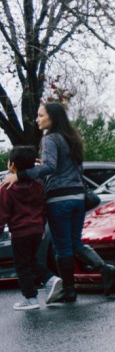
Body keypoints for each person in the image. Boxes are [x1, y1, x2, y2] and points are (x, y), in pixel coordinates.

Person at [0, 102, 104, 303]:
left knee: (62, 247)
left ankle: (67, 290)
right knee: (74, 243)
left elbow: (49, 167)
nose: (37, 119)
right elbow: (68, 168)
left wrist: (20, 175)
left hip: (60, 199)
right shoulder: (71, 139)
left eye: (41, 115)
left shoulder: (50, 138)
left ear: (52, 117)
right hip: (78, 198)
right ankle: (104, 269)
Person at [0, 147, 47, 310]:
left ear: (12, 165)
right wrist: (42, 226)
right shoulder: (38, 185)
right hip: (36, 230)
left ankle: (31, 298)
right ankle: (51, 279)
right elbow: (43, 208)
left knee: (21, 265)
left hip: (20, 233)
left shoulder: (7, 187)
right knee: (31, 260)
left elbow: (3, 214)